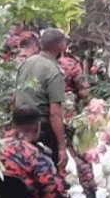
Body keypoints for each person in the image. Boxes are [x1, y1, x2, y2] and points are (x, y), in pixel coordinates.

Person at [14, 29, 69, 173]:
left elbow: (15, 97)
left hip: (21, 128)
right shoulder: (53, 71)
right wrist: (62, 147)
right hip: (42, 129)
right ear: (61, 46)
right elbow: (55, 114)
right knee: (48, 172)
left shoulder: (26, 64)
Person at [57, 51, 101, 198]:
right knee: (81, 158)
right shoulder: (71, 63)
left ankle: (58, 196)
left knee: (52, 157)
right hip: (70, 118)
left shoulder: (40, 61)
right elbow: (84, 92)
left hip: (46, 119)